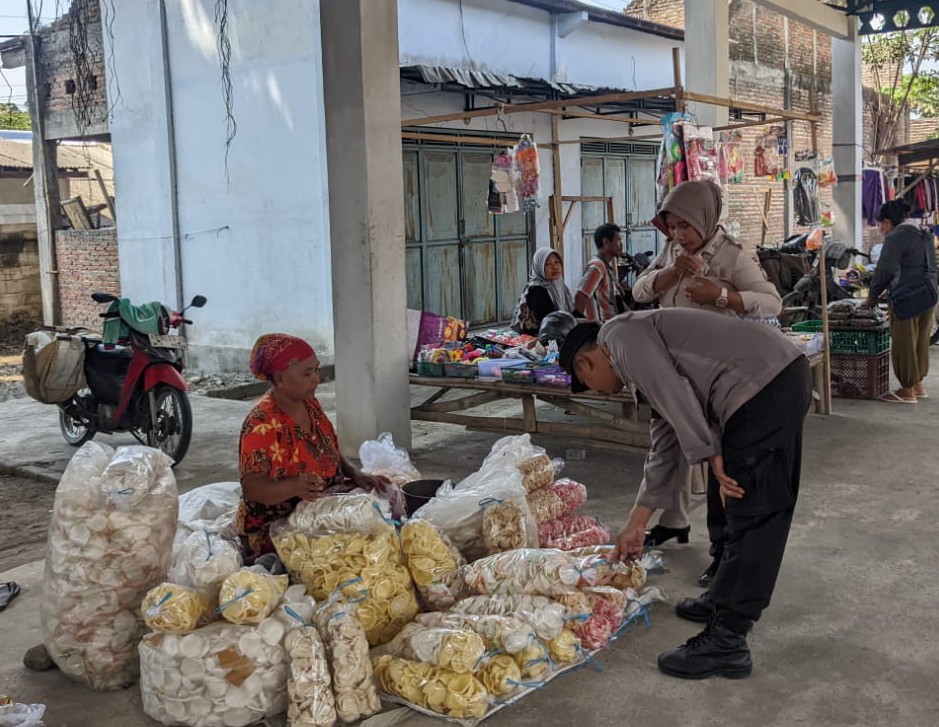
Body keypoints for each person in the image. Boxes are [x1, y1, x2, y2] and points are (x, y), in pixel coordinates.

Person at [558, 310, 811, 679]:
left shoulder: (619, 336)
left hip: (764, 385)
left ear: (586, 362)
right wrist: (637, 524)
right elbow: (665, 445)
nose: (599, 390)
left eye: (587, 381)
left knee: (754, 510)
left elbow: (674, 394)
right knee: (724, 499)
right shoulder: (636, 358)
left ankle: (728, 639)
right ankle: (721, 597)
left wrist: (709, 452)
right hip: (763, 383)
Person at [632, 180, 783, 587]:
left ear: (705, 219)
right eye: (673, 226)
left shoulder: (731, 256)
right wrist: (667, 276)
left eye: (686, 226)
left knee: (721, 464)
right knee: (665, 445)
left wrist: (723, 296)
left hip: (716, 378)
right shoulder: (671, 252)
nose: (679, 235)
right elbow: (639, 290)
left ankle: (723, 554)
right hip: (671, 369)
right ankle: (672, 521)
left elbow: (771, 302)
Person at [237, 333, 402, 562]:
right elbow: (252, 489)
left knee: (387, 494)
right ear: (281, 377)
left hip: (324, 498)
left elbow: (327, 445)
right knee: (355, 545)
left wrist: (354, 473)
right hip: (283, 520)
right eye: (307, 373)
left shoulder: (309, 403)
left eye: (316, 370)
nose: (316, 379)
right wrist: (294, 486)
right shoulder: (261, 424)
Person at [868, 200, 938, 403]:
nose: (880, 230)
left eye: (880, 224)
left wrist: (872, 296)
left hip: (906, 297)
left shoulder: (896, 236)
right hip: (929, 294)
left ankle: (907, 390)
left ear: (888, 222)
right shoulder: (924, 233)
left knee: (904, 343)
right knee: (920, 341)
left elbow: (884, 269)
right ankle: (918, 386)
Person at [510, 248, 577, 335]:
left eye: (557, 262)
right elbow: (550, 321)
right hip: (536, 338)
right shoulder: (537, 291)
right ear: (539, 267)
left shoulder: (560, 286)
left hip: (555, 332)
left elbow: (572, 312)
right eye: (548, 264)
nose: (555, 267)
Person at [575, 223, 626, 323]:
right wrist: (578, 328)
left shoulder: (605, 266)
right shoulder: (597, 266)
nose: (621, 244)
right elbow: (581, 296)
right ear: (606, 242)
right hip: (603, 329)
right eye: (618, 240)